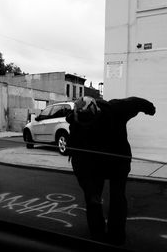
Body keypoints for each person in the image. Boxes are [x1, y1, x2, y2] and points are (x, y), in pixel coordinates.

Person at [66, 96, 156, 245]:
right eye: (84, 123)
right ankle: (97, 234)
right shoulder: (75, 123)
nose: (88, 125)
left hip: (117, 161)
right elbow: (77, 160)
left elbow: (136, 102)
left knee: (117, 196)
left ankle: (117, 235)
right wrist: (88, 188)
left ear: (97, 112)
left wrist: (149, 109)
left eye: (90, 122)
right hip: (93, 163)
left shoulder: (116, 108)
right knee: (93, 199)